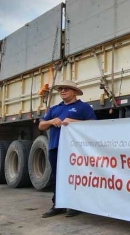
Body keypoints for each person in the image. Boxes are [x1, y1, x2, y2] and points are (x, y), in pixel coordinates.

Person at [39, 80, 96, 218]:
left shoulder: (83, 107)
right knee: (56, 176)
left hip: (74, 150)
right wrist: (52, 121)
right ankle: (58, 205)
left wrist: (74, 122)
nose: (62, 91)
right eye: (60, 89)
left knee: (76, 177)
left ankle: (75, 205)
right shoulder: (54, 109)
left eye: (66, 89)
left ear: (74, 91)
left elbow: (94, 124)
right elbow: (41, 125)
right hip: (55, 147)